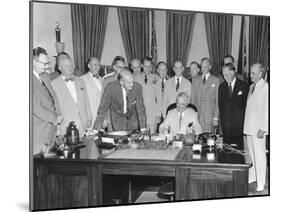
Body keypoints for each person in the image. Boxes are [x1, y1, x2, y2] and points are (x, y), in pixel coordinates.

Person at [32, 47, 63, 154]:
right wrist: (54, 119)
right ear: (33, 61)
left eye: (47, 63)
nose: (47, 67)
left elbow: (54, 98)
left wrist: (58, 121)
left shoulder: (45, 76)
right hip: (39, 132)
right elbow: (35, 107)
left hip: (52, 130)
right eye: (43, 64)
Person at [51, 57, 92, 136]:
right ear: (60, 68)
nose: (70, 68)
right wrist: (57, 126)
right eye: (66, 66)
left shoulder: (81, 81)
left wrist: (89, 117)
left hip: (83, 124)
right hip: (66, 126)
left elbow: (86, 101)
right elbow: (54, 107)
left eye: (71, 65)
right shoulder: (53, 84)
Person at [243, 63, 268, 192]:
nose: (250, 75)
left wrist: (264, 128)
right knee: (251, 155)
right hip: (249, 127)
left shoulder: (266, 87)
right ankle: (253, 176)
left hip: (258, 128)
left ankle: (261, 181)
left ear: (260, 74)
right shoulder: (252, 86)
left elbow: (267, 110)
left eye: (253, 73)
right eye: (250, 73)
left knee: (259, 156)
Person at [218, 63, 249, 150]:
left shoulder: (244, 86)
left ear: (233, 72)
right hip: (226, 125)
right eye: (223, 75)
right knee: (226, 150)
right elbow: (221, 106)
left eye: (226, 74)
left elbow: (246, 106)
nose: (224, 77)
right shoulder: (221, 87)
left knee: (238, 150)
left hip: (239, 125)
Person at [191, 57, 220, 133]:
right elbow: (193, 100)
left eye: (205, 67)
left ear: (210, 67)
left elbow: (217, 101)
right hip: (198, 116)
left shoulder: (216, 80)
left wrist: (216, 118)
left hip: (209, 117)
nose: (203, 69)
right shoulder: (195, 80)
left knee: (209, 140)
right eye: (202, 67)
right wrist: (192, 115)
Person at [133, 57, 159, 133]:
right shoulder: (135, 77)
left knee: (153, 138)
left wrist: (158, 114)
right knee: (141, 139)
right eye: (145, 66)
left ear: (152, 67)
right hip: (140, 115)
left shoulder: (156, 78)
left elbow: (159, 98)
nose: (147, 68)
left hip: (153, 115)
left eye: (150, 66)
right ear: (141, 66)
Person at [80, 57, 103, 127]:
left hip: (101, 117)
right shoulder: (82, 79)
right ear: (89, 66)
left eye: (99, 65)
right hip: (91, 117)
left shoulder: (102, 79)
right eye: (95, 65)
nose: (98, 67)